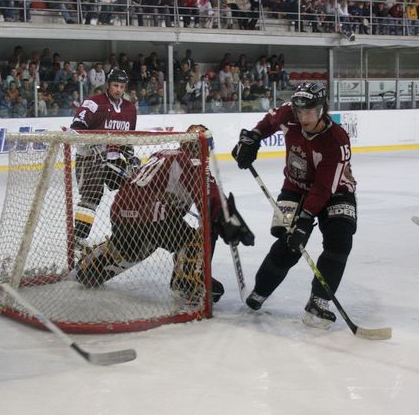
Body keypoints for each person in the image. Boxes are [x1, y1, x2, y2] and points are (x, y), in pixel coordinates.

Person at [75, 125, 254, 305]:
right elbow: (209, 195)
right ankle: (187, 284)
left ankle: (88, 270)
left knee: (131, 249)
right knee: (195, 239)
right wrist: (225, 217)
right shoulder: (193, 162)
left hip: (120, 213)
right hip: (151, 218)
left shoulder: (162, 154)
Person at [231, 82, 357, 330]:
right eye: (300, 111)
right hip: (296, 186)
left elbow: (323, 187)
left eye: (309, 111)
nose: (303, 118)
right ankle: (261, 290)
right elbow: (269, 122)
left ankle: (319, 300)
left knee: (340, 239)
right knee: (289, 243)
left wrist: (305, 219)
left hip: (335, 190)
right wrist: (253, 137)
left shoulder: (336, 140)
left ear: (322, 109)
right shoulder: (289, 113)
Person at [69, 68, 138, 250]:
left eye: (121, 86)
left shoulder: (130, 109)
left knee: (133, 190)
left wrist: (130, 156)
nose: (118, 89)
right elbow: (76, 128)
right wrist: (90, 143)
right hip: (90, 159)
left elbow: (126, 139)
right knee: (92, 196)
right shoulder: (93, 103)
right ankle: (78, 239)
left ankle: (127, 233)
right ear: (108, 85)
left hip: (113, 160)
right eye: (115, 85)